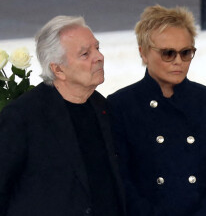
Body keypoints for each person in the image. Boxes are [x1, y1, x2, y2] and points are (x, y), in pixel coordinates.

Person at [108, 5, 206, 216]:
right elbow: (121, 180)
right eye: (168, 53)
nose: (178, 61)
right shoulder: (121, 105)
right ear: (143, 53)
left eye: (186, 53)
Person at [0, 16, 126, 216]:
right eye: (85, 54)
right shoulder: (22, 117)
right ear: (58, 69)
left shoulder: (105, 108)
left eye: (97, 48)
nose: (99, 57)